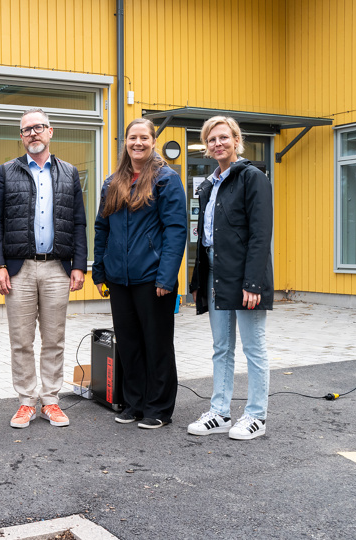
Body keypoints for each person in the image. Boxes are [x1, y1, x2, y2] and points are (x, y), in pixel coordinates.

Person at [0, 108, 87, 429]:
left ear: (50, 131)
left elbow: (78, 222)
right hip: (19, 269)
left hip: (57, 267)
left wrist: (79, 266)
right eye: (26, 129)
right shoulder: (6, 172)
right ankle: (26, 402)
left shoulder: (69, 173)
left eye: (38, 127)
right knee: (20, 340)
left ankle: (51, 400)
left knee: (54, 338)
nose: (33, 133)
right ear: (21, 136)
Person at [92, 118, 187, 429]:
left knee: (156, 344)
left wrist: (166, 277)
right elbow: (102, 228)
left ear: (153, 141)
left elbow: (176, 230)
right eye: (133, 138)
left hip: (152, 278)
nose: (138, 143)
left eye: (144, 138)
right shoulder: (112, 182)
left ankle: (158, 408)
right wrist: (100, 270)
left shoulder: (166, 180)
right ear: (126, 143)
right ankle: (134, 403)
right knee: (130, 344)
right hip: (119, 279)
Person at [187, 116, 274, 441]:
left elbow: (260, 235)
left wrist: (253, 283)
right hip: (215, 275)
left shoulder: (253, 178)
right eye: (211, 139)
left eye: (224, 137)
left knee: (254, 347)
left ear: (237, 141)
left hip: (244, 276)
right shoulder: (209, 186)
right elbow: (205, 238)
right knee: (221, 347)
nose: (217, 143)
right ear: (207, 147)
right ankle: (220, 412)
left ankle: (255, 416)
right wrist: (198, 282)